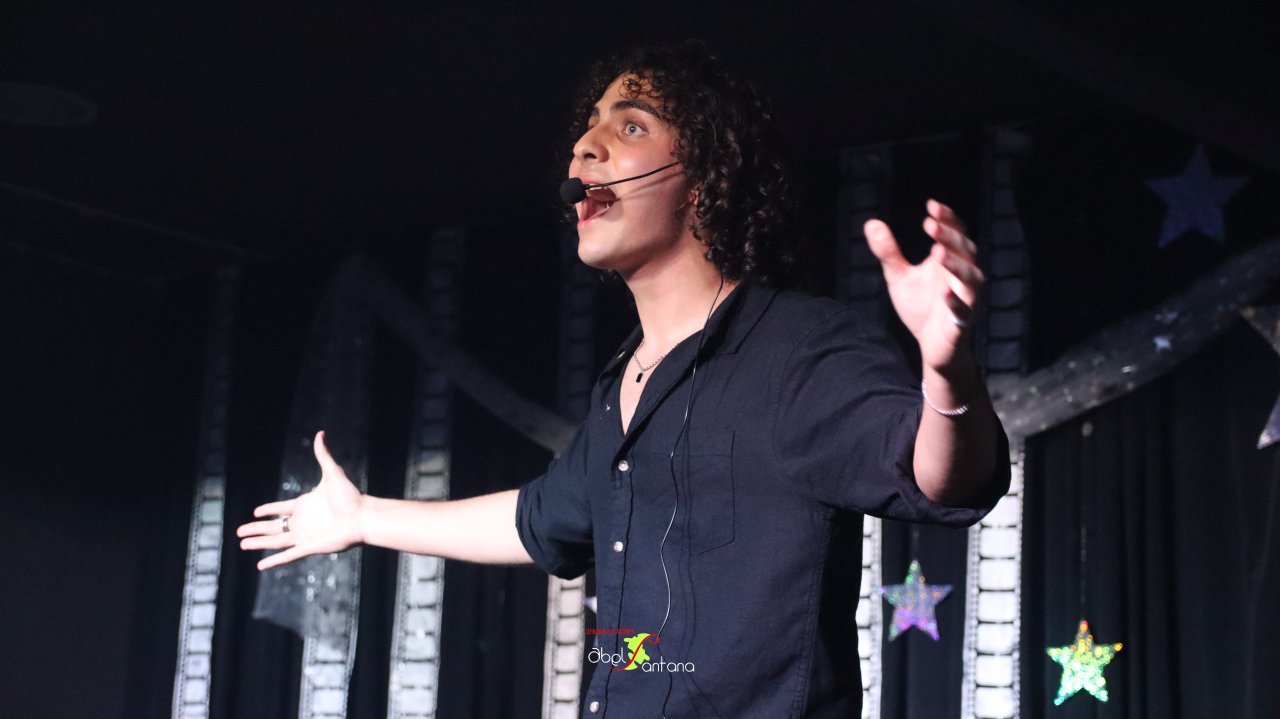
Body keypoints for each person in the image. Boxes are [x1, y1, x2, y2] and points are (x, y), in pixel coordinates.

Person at [237, 41, 1009, 718]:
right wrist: (365, 515)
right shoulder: (623, 384)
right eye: (588, 128)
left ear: (702, 179)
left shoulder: (797, 348)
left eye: (630, 126)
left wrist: (948, 370)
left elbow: (942, 477)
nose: (585, 149)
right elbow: (540, 517)